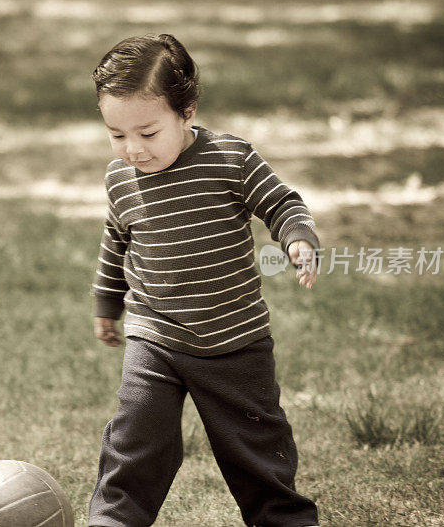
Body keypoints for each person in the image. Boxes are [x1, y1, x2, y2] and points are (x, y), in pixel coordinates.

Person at [88, 34, 321, 527]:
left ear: (187, 111)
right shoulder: (119, 178)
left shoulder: (229, 159)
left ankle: (283, 519)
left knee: (257, 452)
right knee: (135, 440)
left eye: (148, 133)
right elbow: (117, 241)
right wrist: (107, 304)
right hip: (156, 337)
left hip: (235, 337)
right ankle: (114, 520)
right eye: (116, 134)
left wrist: (297, 237)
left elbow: (281, 202)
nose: (133, 150)